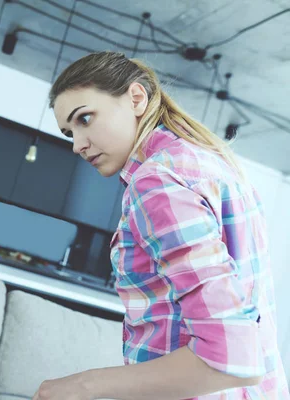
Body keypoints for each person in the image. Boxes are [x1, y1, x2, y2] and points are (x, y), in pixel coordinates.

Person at [33, 51, 290, 400]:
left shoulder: (157, 182)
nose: (77, 145)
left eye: (85, 119)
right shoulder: (212, 165)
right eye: (69, 133)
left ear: (136, 98)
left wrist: (79, 386)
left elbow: (232, 357)